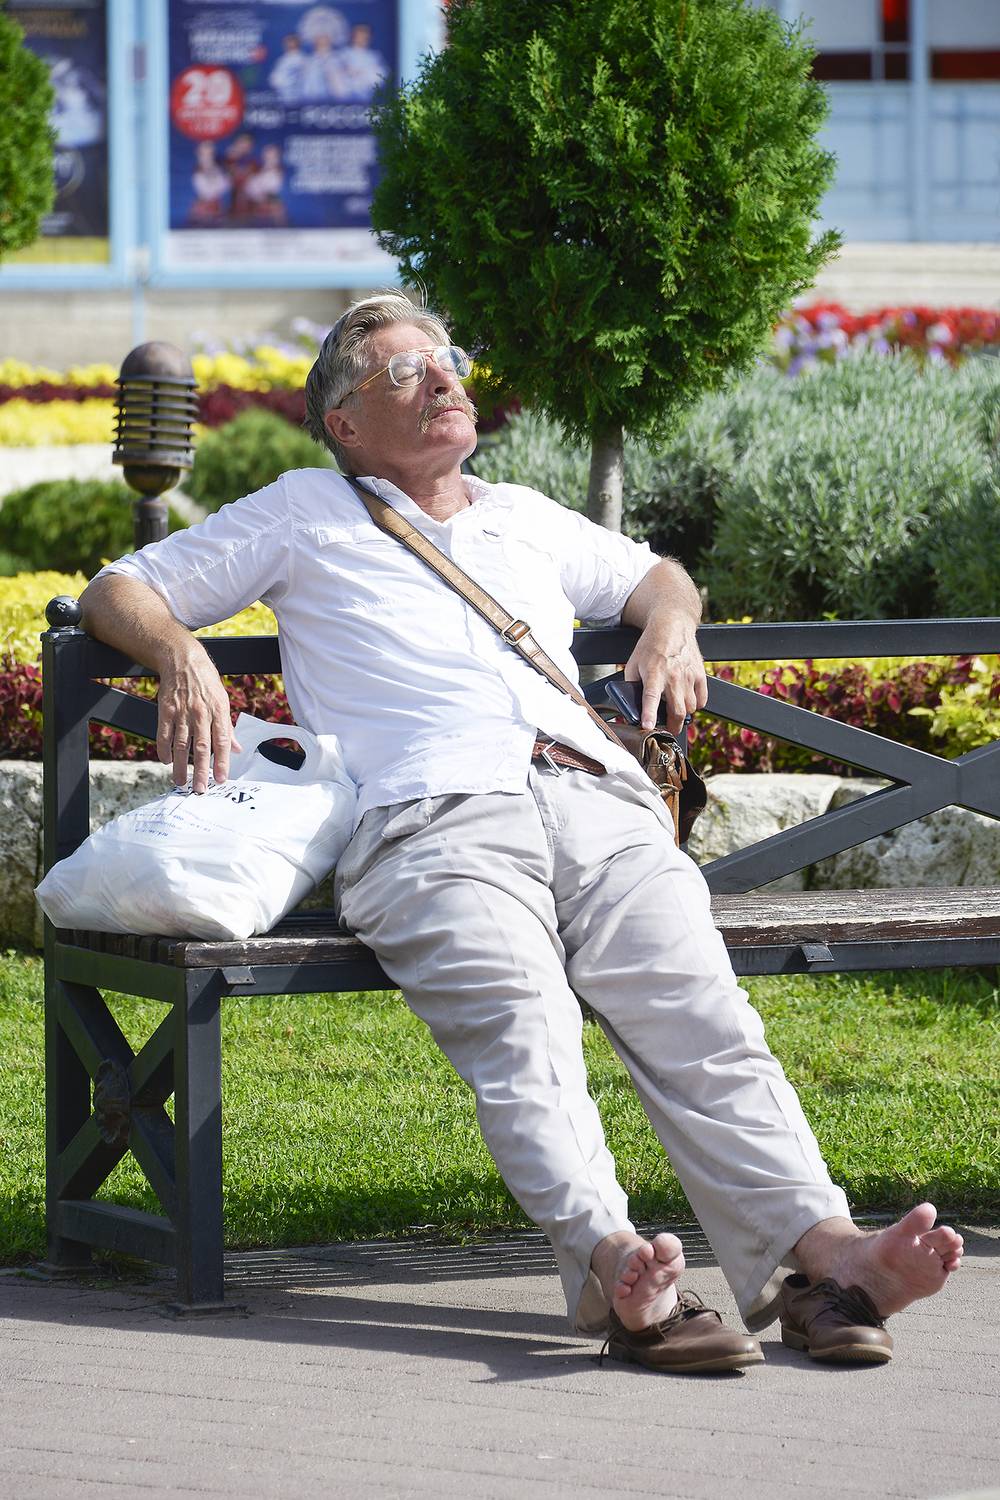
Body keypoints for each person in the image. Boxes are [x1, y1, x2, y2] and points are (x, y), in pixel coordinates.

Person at [80, 292, 964, 1375]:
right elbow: (121, 589)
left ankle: (826, 1264)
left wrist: (671, 625)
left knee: (703, 1016)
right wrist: (181, 652)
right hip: (429, 822)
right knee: (525, 1025)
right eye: (405, 371)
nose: (444, 379)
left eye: (445, 360)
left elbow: (656, 576)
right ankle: (615, 1265)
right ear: (345, 422)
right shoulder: (304, 509)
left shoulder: (521, 514)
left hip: (596, 802)